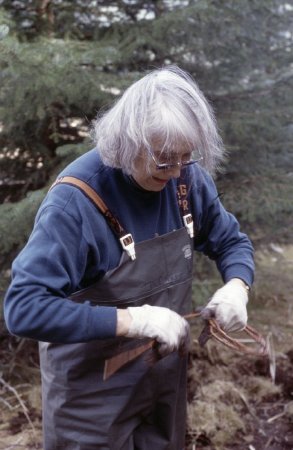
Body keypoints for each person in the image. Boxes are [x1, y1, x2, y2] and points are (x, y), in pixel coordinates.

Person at [4, 65, 254, 450]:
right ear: (128, 142)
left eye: (186, 158)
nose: (174, 174)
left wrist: (238, 286)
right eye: (163, 160)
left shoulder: (186, 179)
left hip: (163, 385)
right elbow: (24, 309)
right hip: (91, 402)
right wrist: (133, 320)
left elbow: (231, 242)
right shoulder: (76, 203)